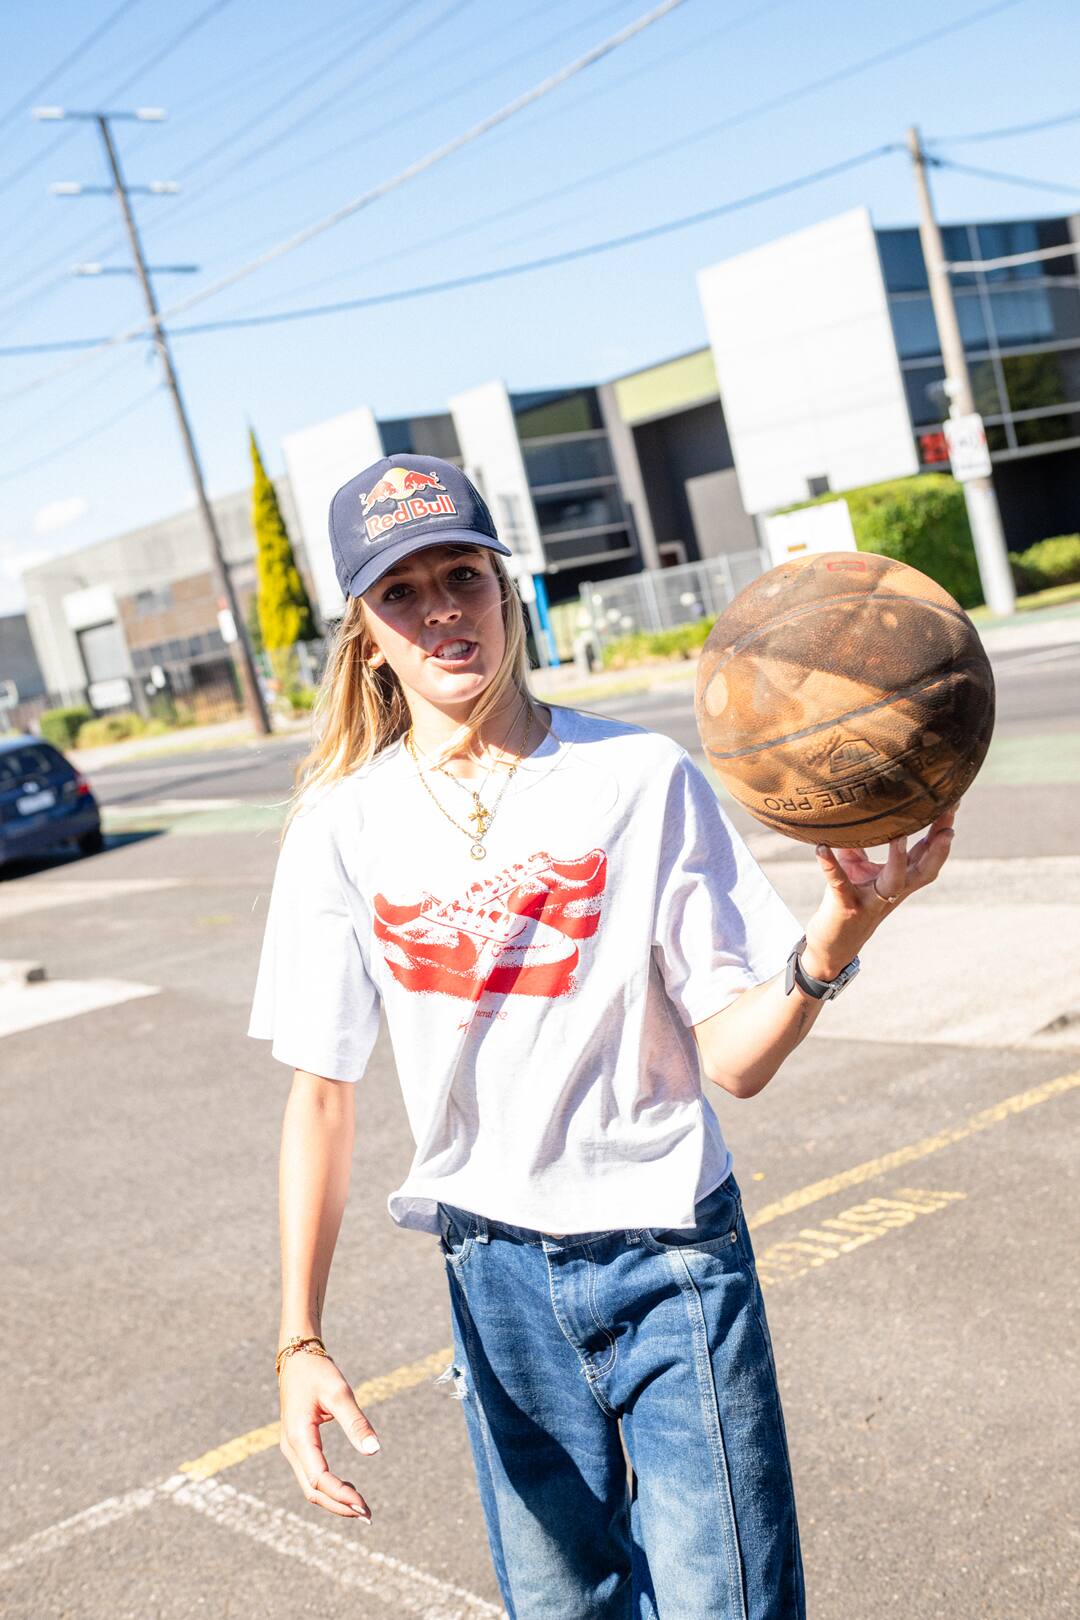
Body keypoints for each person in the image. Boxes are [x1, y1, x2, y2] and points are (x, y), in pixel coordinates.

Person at [248, 454, 956, 1619]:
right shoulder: (340, 828)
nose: (439, 612)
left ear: (506, 588)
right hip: (494, 1278)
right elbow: (320, 1096)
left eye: (461, 576)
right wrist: (297, 1341)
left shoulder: (637, 778)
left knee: (731, 1603)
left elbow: (735, 1059)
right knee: (562, 1608)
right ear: (365, 631)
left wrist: (840, 927)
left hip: (672, 1257)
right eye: (401, 593)